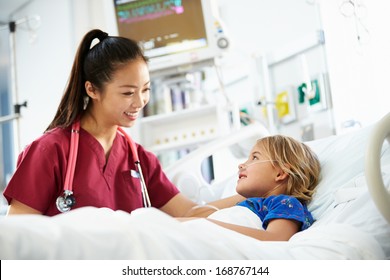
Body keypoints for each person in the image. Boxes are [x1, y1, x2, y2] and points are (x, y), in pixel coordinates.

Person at [3, 29, 243, 216]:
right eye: (128, 93)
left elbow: (190, 213)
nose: (140, 102)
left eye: (146, 89)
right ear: (92, 89)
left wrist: (254, 199)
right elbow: (19, 235)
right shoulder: (50, 151)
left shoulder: (140, 160)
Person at [180, 135, 321, 241]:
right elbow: (193, 214)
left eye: (254, 158)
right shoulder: (251, 204)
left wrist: (204, 226)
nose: (241, 165)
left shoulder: (285, 203)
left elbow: (275, 240)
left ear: (280, 173)